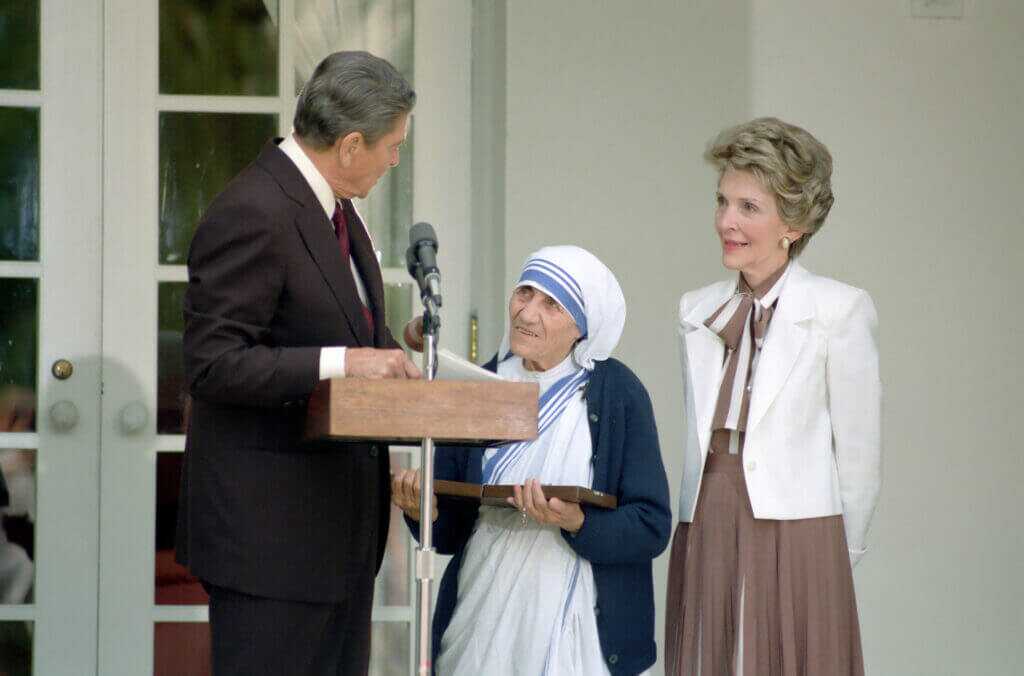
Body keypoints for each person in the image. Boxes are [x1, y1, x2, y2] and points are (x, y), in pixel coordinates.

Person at [175, 51, 421, 676]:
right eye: (393, 146)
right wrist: (346, 362)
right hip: (271, 548)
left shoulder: (337, 209)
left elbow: (339, 327)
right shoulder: (253, 210)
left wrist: (394, 350)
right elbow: (213, 364)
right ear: (351, 144)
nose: (396, 160)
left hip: (340, 542)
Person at [665, 117, 881, 675]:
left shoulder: (840, 310)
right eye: (722, 201)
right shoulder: (695, 310)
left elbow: (859, 454)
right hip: (707, 511)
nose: (726, 221)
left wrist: (840, 552)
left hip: (802, 524)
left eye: (748, 207)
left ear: (794, 223)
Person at [393, 246, 672, 676]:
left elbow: (651, 526)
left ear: (582, 327)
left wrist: (578, 522)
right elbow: (450, 532)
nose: (527, 313)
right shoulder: (478, 386)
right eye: (524, 293)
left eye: (551, 304)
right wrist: (421, 511)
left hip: (582, 630)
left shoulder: (618, 393)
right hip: (484, 619)